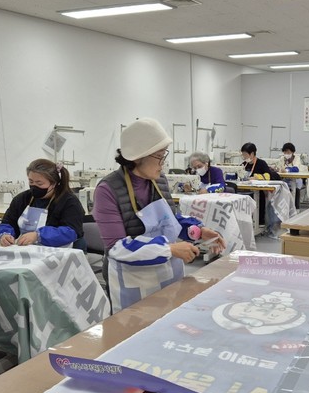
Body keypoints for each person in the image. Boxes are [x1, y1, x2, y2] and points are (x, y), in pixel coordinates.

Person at [95, 118, 225, 313]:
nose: (163, 163)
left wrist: (198, 231)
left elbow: (170, 220)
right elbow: (116, 248)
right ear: (138, 156)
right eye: (159, 157)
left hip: (168, 275)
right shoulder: (107, 190)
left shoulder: (159, 180)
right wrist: (169, 249)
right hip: (133, 281)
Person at [0, 159, 85, 250]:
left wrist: (38, 235)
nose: (34, 186)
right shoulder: (22, 199)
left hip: (65, 252)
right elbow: (8, 222)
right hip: (31, 250)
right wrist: (5, 235)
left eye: (39, 183)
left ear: (54, 183)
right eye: (31, 182)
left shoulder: (69, 201)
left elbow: (70, 232)